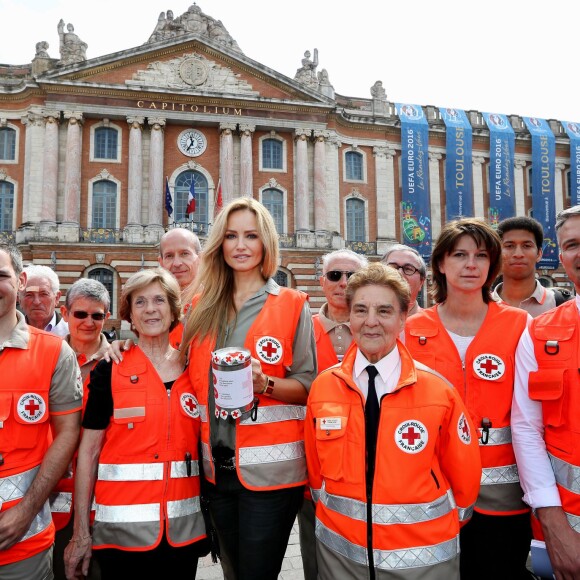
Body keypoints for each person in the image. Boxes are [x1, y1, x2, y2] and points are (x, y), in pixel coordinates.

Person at [305, 262, 481, 579]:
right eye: (360, 310)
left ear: (403, 318)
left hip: (423, 563)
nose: (371, 322)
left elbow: (465, 484)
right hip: (341, 560)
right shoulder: (323, 387)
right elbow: (317, 477)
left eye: (384, 311)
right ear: (350, 316)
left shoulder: (438, 392)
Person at [181, 197, 317, 580]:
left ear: (265, 244)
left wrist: (266, 384)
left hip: (271, 475)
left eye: (251, 236)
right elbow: (171, 364)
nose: (240, 246)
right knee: (233, 573)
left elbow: (309, 384)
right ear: (219, 245)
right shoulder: (198, 306)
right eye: (231, 236)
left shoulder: (292, 304)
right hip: (215, 471)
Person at [405, 218, 532, 579]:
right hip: (432, 493)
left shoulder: (520, 325)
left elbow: (532, 414)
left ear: (492, 264)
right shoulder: (410, 330)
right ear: (441, 264)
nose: (471, 264)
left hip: (504, 497)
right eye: (459, 255)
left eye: (480, 255)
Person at [64, 268, 206, 579]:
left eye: (159, 300)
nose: (151, 309)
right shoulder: (109, 370)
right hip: (121, 538)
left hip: (184, 534)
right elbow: (87, 454)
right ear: (129, 313)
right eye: (140, 302)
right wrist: (81, 534)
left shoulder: (194, 369)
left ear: (172, 308)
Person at [0, 243, 82, 579]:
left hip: (24, 543)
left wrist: (26, 510)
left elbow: (68, 434)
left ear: (19, 280)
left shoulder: (53, 352)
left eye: (0, 276)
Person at [512, 205, 580, 578]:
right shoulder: (538, 333)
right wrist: (555, 527)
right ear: (561, 255)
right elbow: (526, 429)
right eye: (572, 244)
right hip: (568, 527)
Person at [299, 248, 368, 580]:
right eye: (335, 275)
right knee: (315, 545)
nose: (343, 283)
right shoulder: (300, 331)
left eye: (352, 276)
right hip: (315, 461)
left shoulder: (377, 329)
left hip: (371, 457)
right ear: (321, 282)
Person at [50, 279, 111, 580]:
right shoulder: (48, 359)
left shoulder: (120, 363)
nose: (89, 322)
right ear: (65, 313)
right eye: (80, 314)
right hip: (53, 505)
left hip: (104, 505)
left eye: (97, 315)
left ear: (107, 318)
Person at [493, 215, 572, 316]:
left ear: (539, 254)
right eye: (509, 246)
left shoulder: (562, 305)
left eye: (526, 246)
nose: (518, 254)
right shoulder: (482, 307)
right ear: (498, 253)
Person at [159, 228, 203, 348]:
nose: (177, 263)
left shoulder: (218, 303)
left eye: (185, 254)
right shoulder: (154, 307)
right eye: (169, 256)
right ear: (161, 262)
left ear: (200, 258)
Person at [19, 264, 69, 336]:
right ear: (20, 300)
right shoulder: (8, 334)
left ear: (57, 298)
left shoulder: (71, 333)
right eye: (29, 295)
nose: (36, 302)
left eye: (43, 294)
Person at [381, 243, 427, 316]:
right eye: (393, 267)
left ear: (421, 282)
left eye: (408, 269)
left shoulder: (434, 324)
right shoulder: (364, 322)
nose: (400, 273)